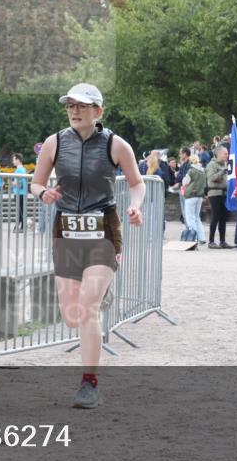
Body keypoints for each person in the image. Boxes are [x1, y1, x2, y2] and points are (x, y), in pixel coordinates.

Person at [30, 83, 144, 409]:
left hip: (103, 230)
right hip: (66, 230)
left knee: (88, 308)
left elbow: (137, 184)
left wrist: (136, 206)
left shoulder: (116, 145)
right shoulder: (54, 143)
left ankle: (89, 385)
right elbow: (36, 182)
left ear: (98, 111)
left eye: (81, 106)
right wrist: (43, 194)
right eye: (70, 106)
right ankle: (98, 294)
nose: (74, 111)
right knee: (71, 315)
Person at [206, 146, 230, 248]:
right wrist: (223, 171)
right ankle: (211, 241)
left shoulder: (225, 164)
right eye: (225, 153)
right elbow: (211, 178)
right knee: (215, 216)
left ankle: (222, 241)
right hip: (215, 193)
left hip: (224, 194)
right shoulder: (211, 165)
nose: (227, 155)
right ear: (219, 154)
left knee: (223, 218)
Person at [180, 155, 206, 243]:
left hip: (191, 195)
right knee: (197, 217)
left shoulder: (191, 171)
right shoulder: (203, 171)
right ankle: (202, 237)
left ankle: (193, 237)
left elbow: (184, 182)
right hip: (200, 196)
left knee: (189, 217)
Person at [11, 153, 28, 233]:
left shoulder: (19, 170)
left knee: (20, 211)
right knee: (21, 210)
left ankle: (21, 226)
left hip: (19, 193)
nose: (13, 161)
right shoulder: (22, 169)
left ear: (18, 160)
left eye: (14, 159)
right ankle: (20, 226)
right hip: (21, 193)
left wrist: (11, 183)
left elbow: (18, 182)